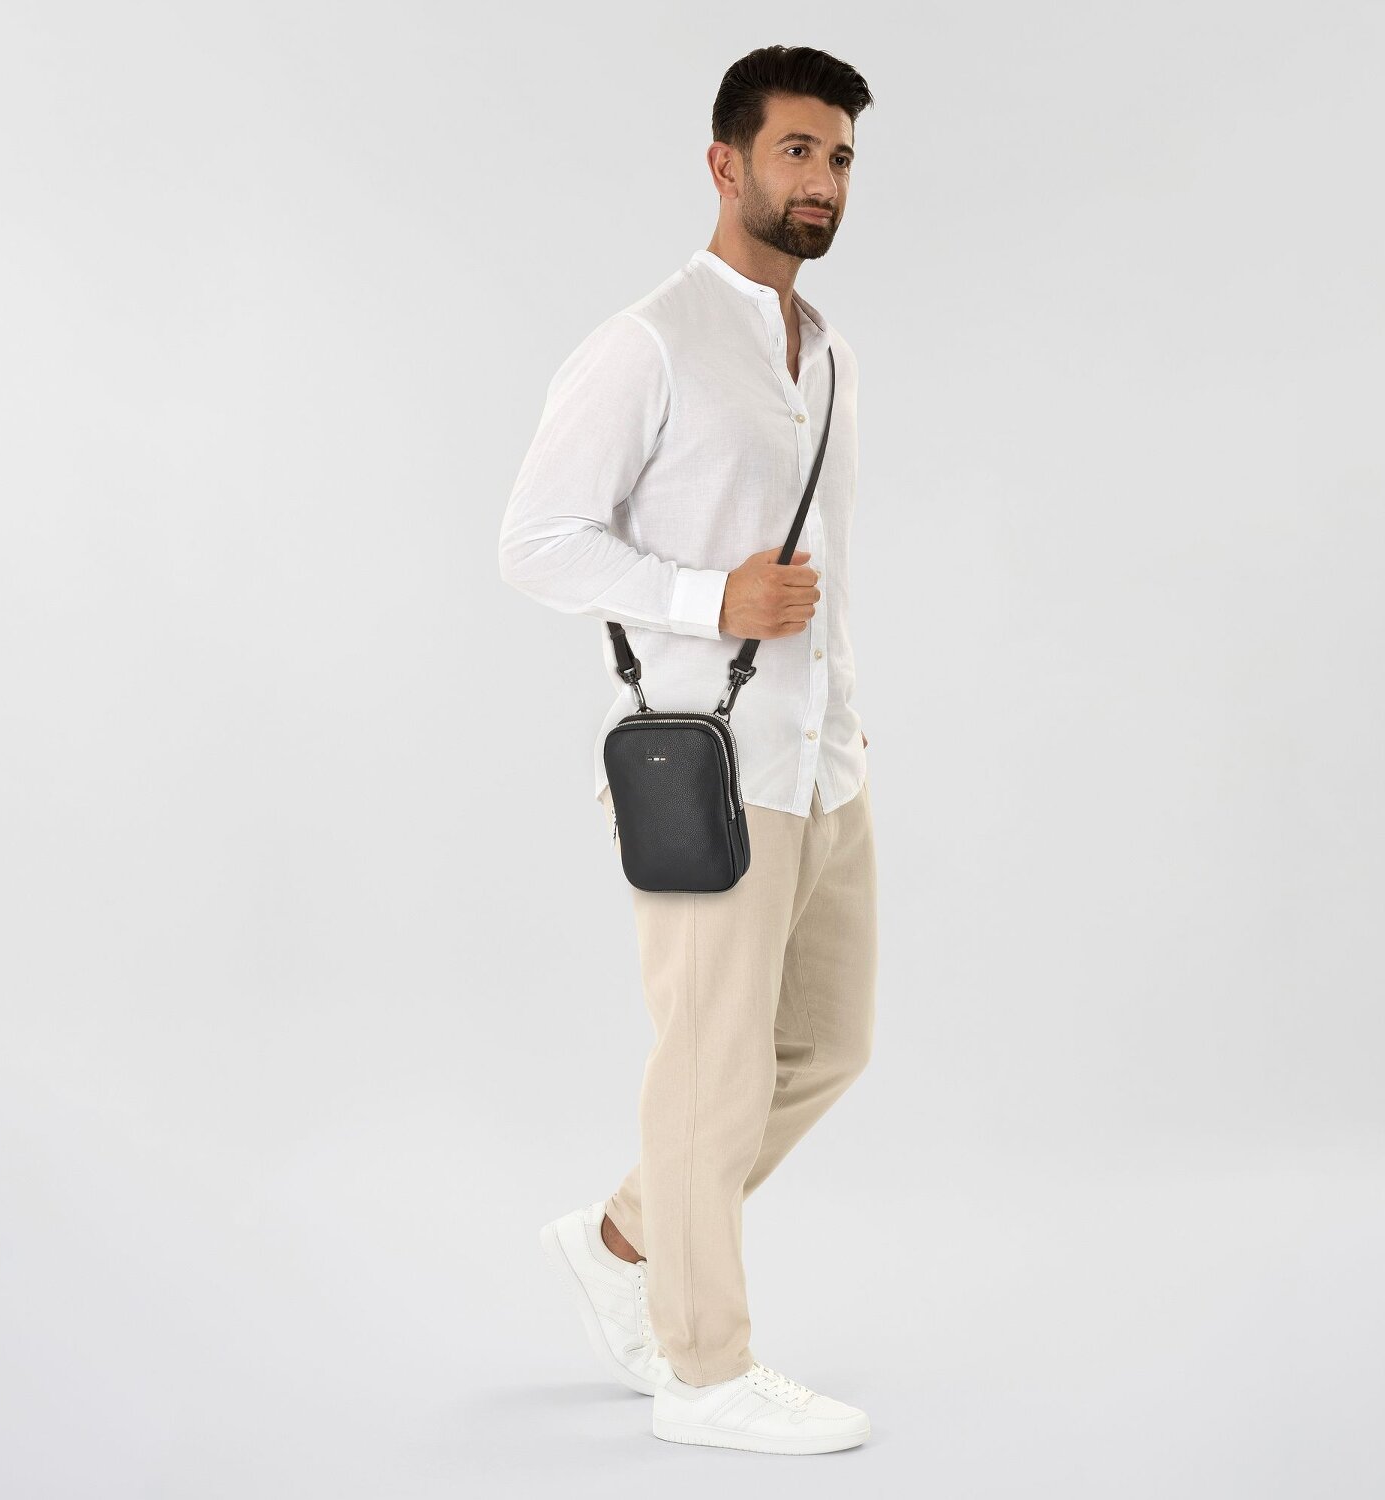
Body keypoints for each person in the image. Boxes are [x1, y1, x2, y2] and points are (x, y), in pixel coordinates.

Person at [500, 44, 879, 1456]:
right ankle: (705, 1370)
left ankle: (621, 1240)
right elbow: (537, 541)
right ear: (726, 164)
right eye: (798, 151)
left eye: (840, 158)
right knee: (710, 1071)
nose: (822, 181)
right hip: (709, 770)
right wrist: (708, 599)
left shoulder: (826, 352)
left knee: (826, 1047)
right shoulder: (648, 343)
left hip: (824, 760)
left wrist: (845, 721)